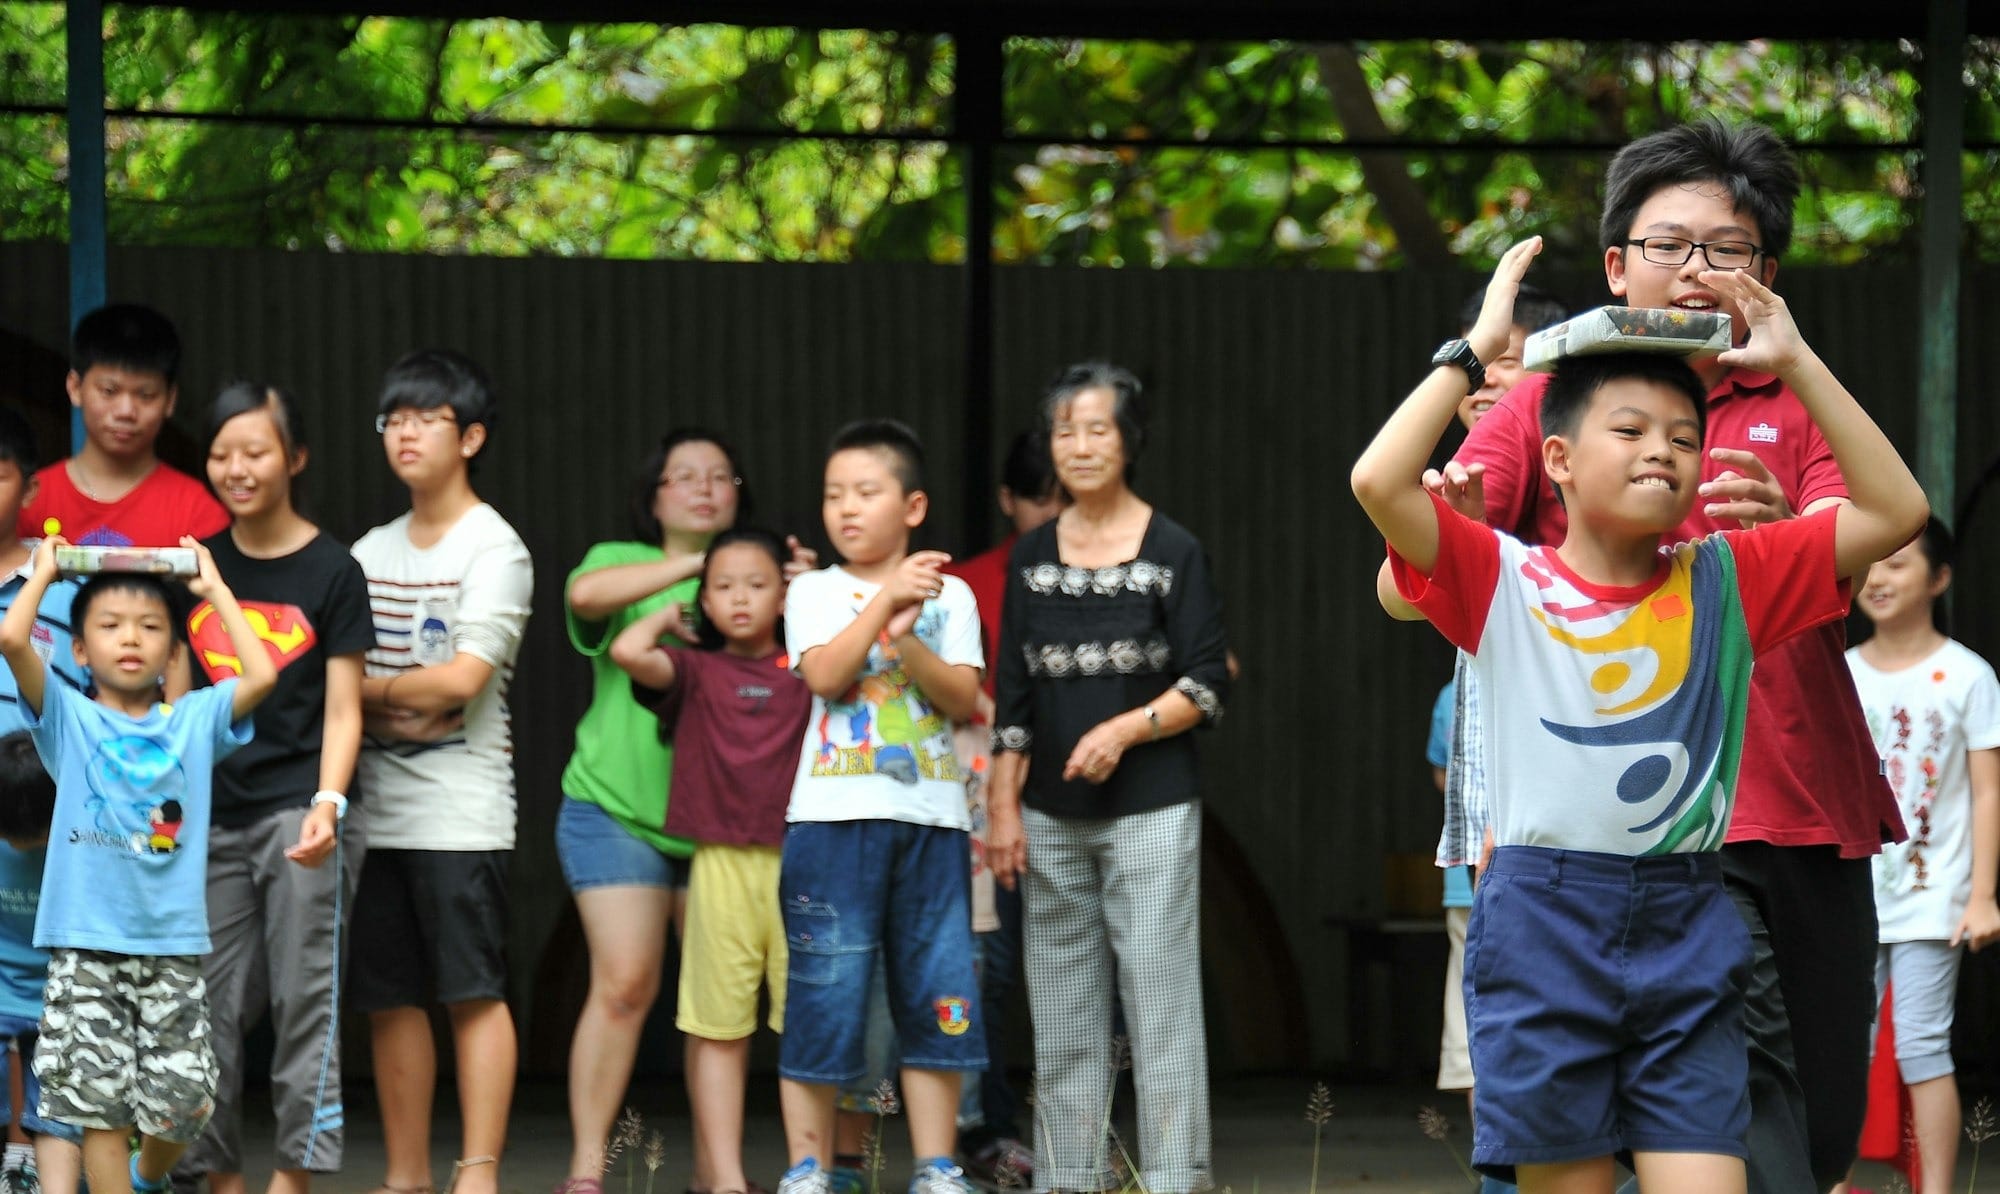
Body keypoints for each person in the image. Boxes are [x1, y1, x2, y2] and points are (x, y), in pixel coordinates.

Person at [1388, 117, 1905, 1193]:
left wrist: (1778, 495)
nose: (1695, 271)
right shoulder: (1548, 394)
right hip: (1598, 837)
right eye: (1668, 243)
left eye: (1727, 249)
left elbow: (1870, 539)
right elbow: (1408, 559)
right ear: (1617, 261)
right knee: (1713, 1138)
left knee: (1808, 1124)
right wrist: (1465, 466)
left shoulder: (1796, 404)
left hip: (1800, 804)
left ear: (1765, 274)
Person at [985, 364, 1231, 1194]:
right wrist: (1003, 810)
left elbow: (1206, 683)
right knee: (1060, 1019)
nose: (1081, 446)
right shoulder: (1029, 557)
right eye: (1064, 430)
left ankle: (1173, 1179)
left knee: (1160, 1009)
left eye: (1097, 429)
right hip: (1049, 815)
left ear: (1130, 440)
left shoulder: (1173, 550)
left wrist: (1122, 732)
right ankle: (1066, 1180)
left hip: (1152, 809)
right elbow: (1012, 700)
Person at [0, 531, 277, 1194]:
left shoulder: (191, 722)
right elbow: (12, 641)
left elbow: (263, 675)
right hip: (87, 947)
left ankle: (145, 1177)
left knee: (186, 1105)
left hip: (172, 948)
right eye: (110, 625)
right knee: (98, 1105)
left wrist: (214, 592)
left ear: (172, 651)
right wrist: (44, 573)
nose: (130, 637)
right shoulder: (68, 717)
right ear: (78, 648)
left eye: (150, 625)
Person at [171, 384, 375, 1194]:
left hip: (302, 814)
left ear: (294, 458)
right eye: (221, 453)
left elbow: (344, 710)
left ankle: (295, 1177)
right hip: (212, 820)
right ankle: (212, 1175)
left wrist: (329, 803)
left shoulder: (333, 569)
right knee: (203, 1007)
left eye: (255, 451)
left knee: (305, 1006)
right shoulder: (195, 567)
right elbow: (183, 709)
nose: (236, 468)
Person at [774, 420, 985, 1194]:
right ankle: (808, 1167)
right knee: (826, 991)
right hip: (830, 826)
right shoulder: (811, 590)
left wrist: (906, 638)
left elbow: (964, 698)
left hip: (932, 825)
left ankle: (936, 1167)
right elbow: (826, 675)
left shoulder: (953, 595)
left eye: (867, 492)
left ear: (915, 505)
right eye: (835, 495)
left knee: (939, 989)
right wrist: (885, 603)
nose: (846, 509)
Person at [348, 351, 531, 1194]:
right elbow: (335, 684)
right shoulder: (366, 550)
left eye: (427, 417)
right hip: (374, 811)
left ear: (474, 437)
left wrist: (370, 690)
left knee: (471, 991)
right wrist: (398, 699)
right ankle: (406, 1176)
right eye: (394, 418)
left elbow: (462, 683)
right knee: (389, 997)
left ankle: (478, 1175)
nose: (406, 432)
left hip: (463, 809)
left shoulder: (496, 548)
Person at [611, 527, 812, 1194]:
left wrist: (813, 596)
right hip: (720, 864)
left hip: (801, 864)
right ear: (704, 600)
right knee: (718, 1027)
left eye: (758, 584)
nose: (741, 599)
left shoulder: (809, 666)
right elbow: (625, 649)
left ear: (783, 594)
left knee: (807, 1026)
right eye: (722, 587)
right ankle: (724, 1179)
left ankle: (807, 1171)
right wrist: (668, 618)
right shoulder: (695, 669)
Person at [1428, 283, 1567, 1155]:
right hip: (1492, 838)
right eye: (1475, 362)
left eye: (1506, 360)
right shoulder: (1459, 501)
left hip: (1576, 824)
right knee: (1495, 1035)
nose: (1485, 380)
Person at [1835, 519, 2000, 1194]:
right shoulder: (1838, 671)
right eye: (1871, 563)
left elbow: (1988, 792)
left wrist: (1982, 895)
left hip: (1935, 898)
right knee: (1845, 1050)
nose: (1877, 577)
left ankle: (1936, 1189)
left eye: (1898, 564)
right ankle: (1833, 1183)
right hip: (1851, 897)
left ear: (1939, 578)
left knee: (1922, 1047)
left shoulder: (1968, 675)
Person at [941, 429, 1064, 1186]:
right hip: (985, 797)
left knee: (1083, 964)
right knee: (985, 967)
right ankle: (984, 1128)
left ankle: (1078, 1128)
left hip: (1086, 792)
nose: (1053, 515)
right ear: (1008, 500)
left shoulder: (1117, 566)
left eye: (1066, 499)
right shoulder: (964, 583)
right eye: (1040, 499)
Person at [17, 304, 227, 548]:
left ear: (170, 400)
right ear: (75, 387)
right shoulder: (27, 501)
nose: (126, 411)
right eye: (109, 391)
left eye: (146, 395)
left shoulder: (200, 511)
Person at [0, 732, 83, 1194]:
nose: (20, 846)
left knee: (56, 1103)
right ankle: (18, 1159)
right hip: (5, 991)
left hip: (61, 993)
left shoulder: (80, 845)